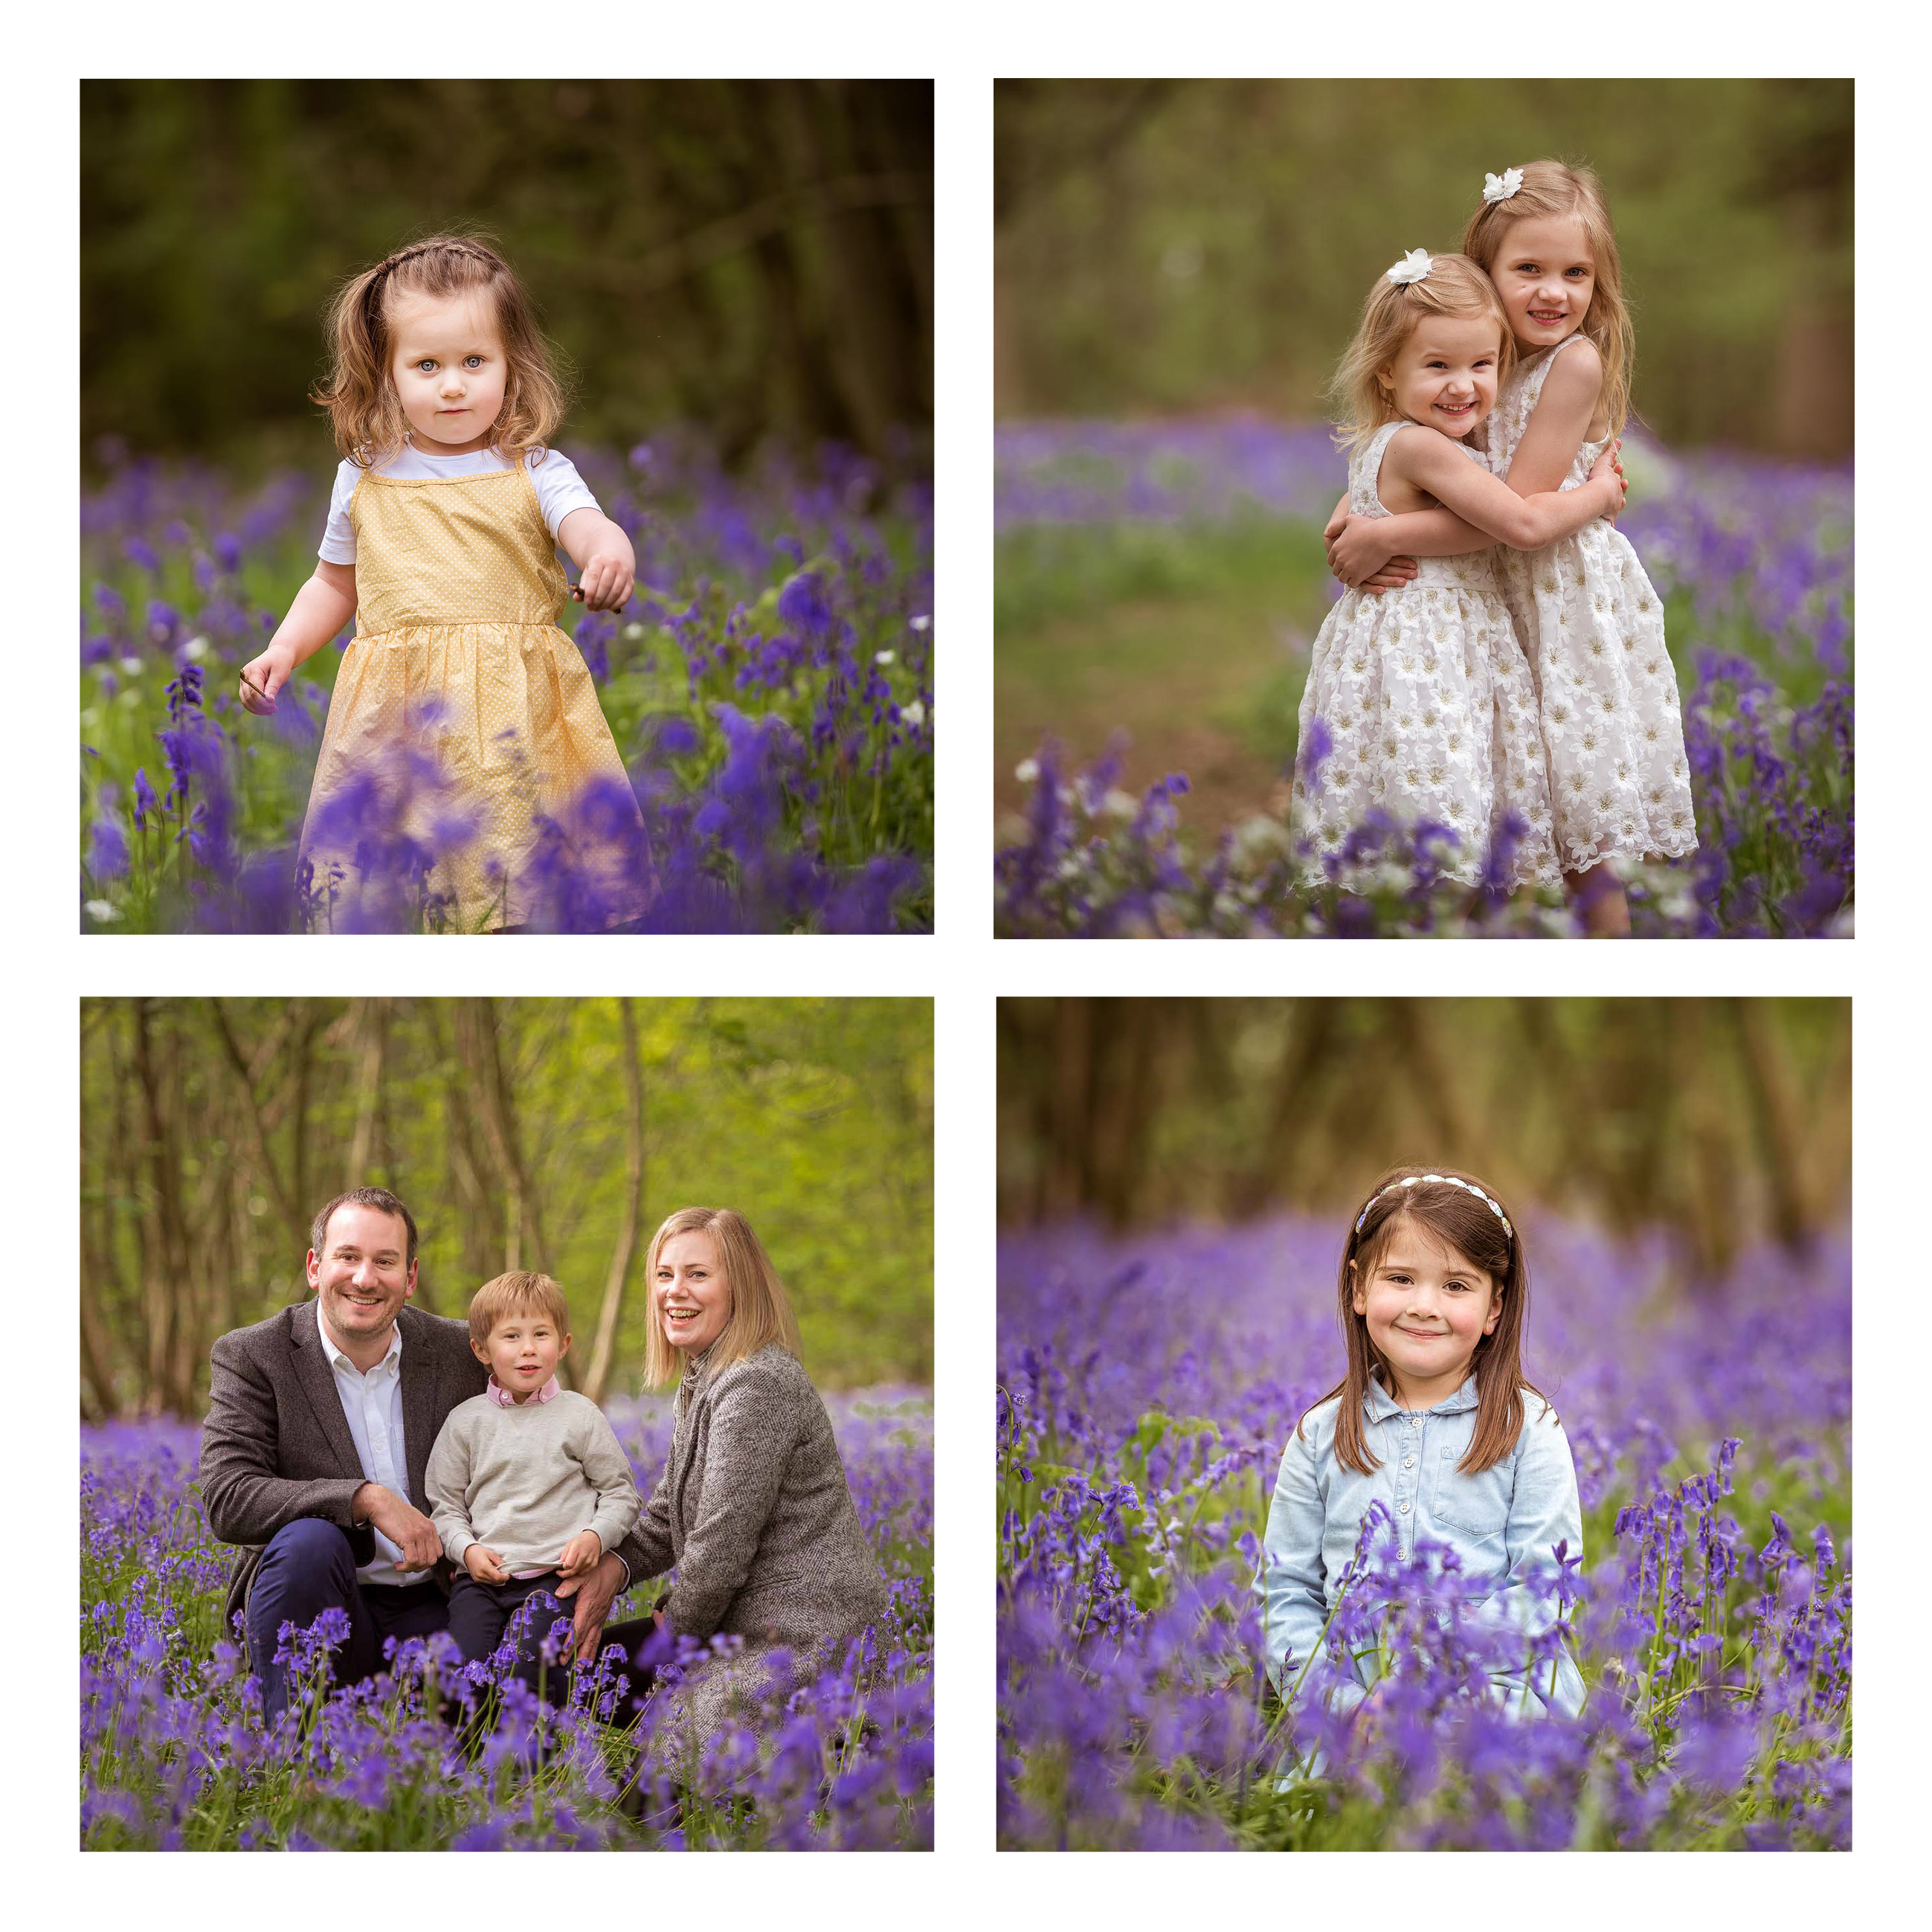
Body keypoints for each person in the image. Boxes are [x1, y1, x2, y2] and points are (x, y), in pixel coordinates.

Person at [235, 232, 650, 932]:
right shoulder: (364, 477)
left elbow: (586, 525)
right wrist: (283, 649)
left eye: (474, 362)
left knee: (523, 874)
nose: (453, 384)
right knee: (398, 890)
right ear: (387, 373)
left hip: (515, 709)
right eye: (426, 364)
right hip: (399, 718)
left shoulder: (535, 468)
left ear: (511, 367)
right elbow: (335, 584)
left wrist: (610, 553)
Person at [1325, 165, 1697, 934]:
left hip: (1560, 600)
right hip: (1492, 603)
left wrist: (1385, 534)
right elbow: (1388, 470)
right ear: (1488, 274)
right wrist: (1351, 525)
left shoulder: (1573, 362)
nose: (1553, 291)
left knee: (1576, 812)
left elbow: (1515, 513)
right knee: (1501, 793)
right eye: (1529, 269)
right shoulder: (1477, 358)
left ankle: (1614, 968)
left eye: (1576, 273)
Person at [199, 1188, 657, 1721]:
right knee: (309, 1542)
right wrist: (366, 1500)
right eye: (348, 1257)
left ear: (410, 1277)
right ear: (314, 1266)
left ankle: (662, 1682)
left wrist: (600, 1553)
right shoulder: (254, 1356)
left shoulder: (462, 1352)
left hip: (442, 1606)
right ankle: (296, 1756)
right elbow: (228, 1498)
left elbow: (548, 1440)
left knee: (502, 1701)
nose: (365, 1278)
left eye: (385, 1261)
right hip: (324, 1605)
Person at [1287, 251, 1626, 899]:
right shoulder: (1423, 446)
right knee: (1439, 828)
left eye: (1481, 365)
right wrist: (1599, 494)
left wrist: (1375, 528)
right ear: (1387, 370)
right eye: (1438, 366)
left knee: (1433, 824)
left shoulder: (1400, 437)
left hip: (1423, 648)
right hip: (1427, 654)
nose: (1463, 386)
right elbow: (1519, 524)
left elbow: (1359, 520)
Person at [1255, 1165, 1585, 1759]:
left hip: (1496, 1698)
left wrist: (1437, 1693)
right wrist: (1341, 1708)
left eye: (1457, 1286)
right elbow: (1287, 1593)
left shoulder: (1529, 1429)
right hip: (1352, 1711)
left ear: (1494, 1307)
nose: (1425, 1306)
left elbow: (1547, 1588)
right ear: (1359, 1290)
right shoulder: (1319, 1436)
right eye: (1401, 1279)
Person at [619, 1207, 889, 1753]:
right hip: (735, 1628)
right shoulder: (704, 1378)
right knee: (574, 1675)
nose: (675, 1291)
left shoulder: (756, 1386)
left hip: (800, 1641)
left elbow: (720, 1549)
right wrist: (604, 1566)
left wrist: (671, 1634)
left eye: (697, 1275)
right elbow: (667, 1513)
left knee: (652, 1778)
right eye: (664, 1275)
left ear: (738, 1286)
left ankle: (847, 1751)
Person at [426, 1271, 642, 1691]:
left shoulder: (579, 1416)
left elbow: (620, 1495)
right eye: (511, 1337)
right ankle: (468, 1755)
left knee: (532, 1673)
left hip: (553, 1582)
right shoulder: (465, 1422)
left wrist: (596, 1538)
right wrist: (467, 1551)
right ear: (481, 1350)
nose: (528, 1349)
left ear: (563, 1344)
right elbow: (445, 1508)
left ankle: (531, 1755)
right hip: (481, 1583)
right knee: (459, 1677)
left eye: (541, 1334)